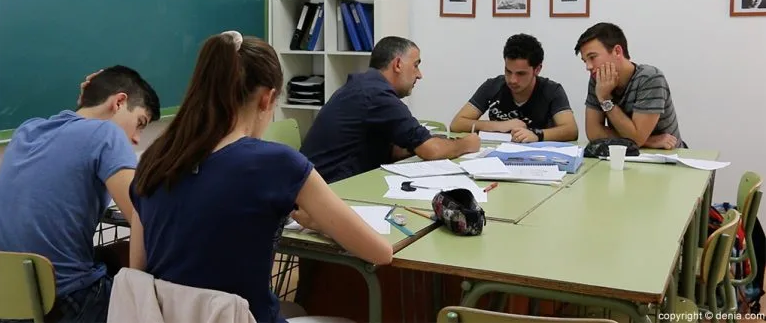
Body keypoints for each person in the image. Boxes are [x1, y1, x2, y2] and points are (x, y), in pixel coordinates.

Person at [128, 31, 393, 323]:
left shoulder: (153, 160)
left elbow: (139, 271)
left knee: (295, 310)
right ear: (267, 99)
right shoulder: (278, 164)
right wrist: (322, 224)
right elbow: (379, 252)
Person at [0, 65, 161, 323]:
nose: (137, 139)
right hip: (65, 303)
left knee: (113, 252)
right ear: (119, 102)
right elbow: (143, 216)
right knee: (158, 299)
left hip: (8, 301)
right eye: (140, 123)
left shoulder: (26, 131)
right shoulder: (106, 134)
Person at [300, 36, 480, 184]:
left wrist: (417, 147)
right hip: (328, 192)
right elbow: (431, 150)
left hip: (316, 186)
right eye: (416, 65)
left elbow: (389, 150)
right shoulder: (377, 95)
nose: (419, 74)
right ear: (398, 64)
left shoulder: (363, 86)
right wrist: (466, 143)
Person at [450, 34, 578, 143]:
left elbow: (571, 130)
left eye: (521, 74)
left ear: (537, 69)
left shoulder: (552, 90)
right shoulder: (492, 86)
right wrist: (499, 126)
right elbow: (456, 124)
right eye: (508, 71)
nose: (512, 80)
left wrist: (537, 135)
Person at [573, 22, 683, 149]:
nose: (588, 67)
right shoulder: (598, 79)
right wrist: (648, 142)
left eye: (592, 57)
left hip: (668, 155)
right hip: (628, 154)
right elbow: (593, 133)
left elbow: (636, 139)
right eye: (585, 61)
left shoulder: (650, 78)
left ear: (617, 51)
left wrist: (605, 99)